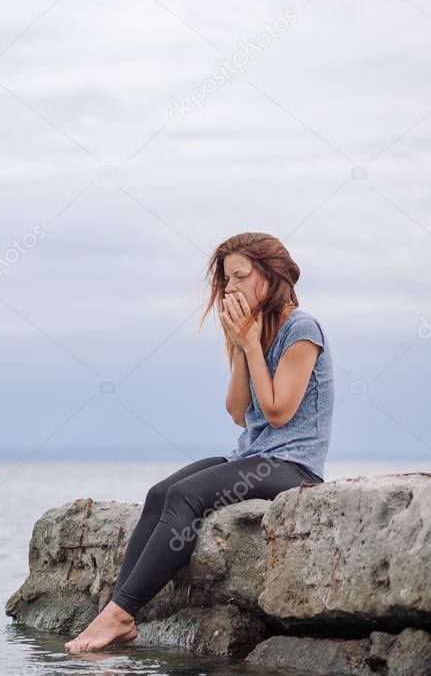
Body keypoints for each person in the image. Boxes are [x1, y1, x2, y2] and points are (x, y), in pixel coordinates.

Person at [64, 232, 334, 653]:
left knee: (188, 496)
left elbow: (279, 411)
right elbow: (237, 411)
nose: (231, 288)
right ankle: (113, 612)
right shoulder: (256, 332)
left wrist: (249, 343)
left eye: (240, 276)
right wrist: (244, 347)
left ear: (271, 274)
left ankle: (122, 613)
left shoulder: (302, 329)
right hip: (252, 453)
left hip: (292, 465)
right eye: (227, 280)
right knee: (161, 493)